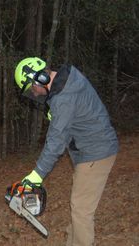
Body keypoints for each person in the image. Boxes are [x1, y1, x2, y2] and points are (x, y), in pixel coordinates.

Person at [13, 57, 118, 246]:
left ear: (39, 80)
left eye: (31, 89)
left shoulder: (63, 98)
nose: (34, 94)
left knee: (81, 210)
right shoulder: (66, 81)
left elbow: (55, 143)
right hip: (92, 149)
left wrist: (36, 175)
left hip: (96, 152)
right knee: (79, 207)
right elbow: (73, 115)